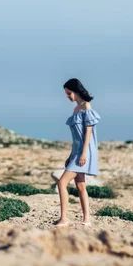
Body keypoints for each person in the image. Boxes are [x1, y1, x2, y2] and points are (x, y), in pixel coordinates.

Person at [54, 78, 101, 228]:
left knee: (62, 183)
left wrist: (83, 154)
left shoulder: (86, 106)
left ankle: (64, 219)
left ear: (75, 91)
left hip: (83, 152)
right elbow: (76, 138)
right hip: (76, 151)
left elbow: (88, 131)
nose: (67, 96)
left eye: (69, 93)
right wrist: (70, 155)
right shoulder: (75, 110)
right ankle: (87, 219)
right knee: (80, 186)